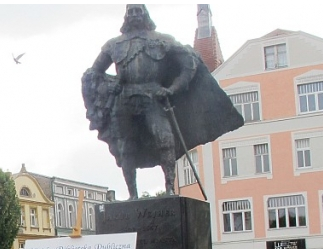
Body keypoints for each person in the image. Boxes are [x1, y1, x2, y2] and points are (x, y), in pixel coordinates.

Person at [81, 5, 242, 199]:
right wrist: (109, 86)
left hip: (153, 97)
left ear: (145, 15)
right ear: (126, 16)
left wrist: (172, 89)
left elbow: (189, 63)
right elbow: (94, 71)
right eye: (130, 12)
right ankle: (133, 196)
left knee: (165, 141)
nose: (134, 15)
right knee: (126, 147)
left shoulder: (161, 40)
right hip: (124, 100)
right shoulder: (114, 45)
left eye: (138, 11)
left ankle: (169, 189)